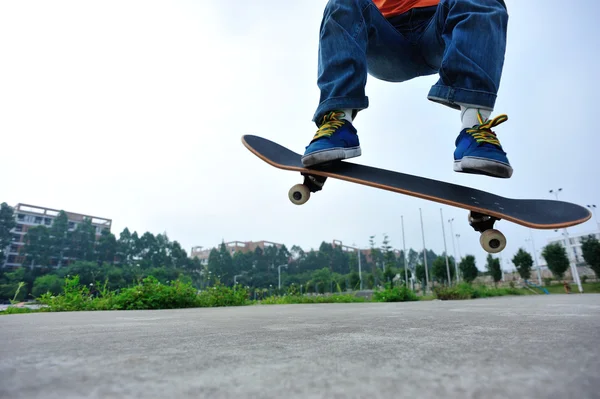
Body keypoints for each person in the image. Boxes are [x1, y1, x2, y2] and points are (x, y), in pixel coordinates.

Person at [301, 0, 513, 179]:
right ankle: (337, 123)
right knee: (343, 2)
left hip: (441, 28)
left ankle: (475, 128)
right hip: (385, 37)